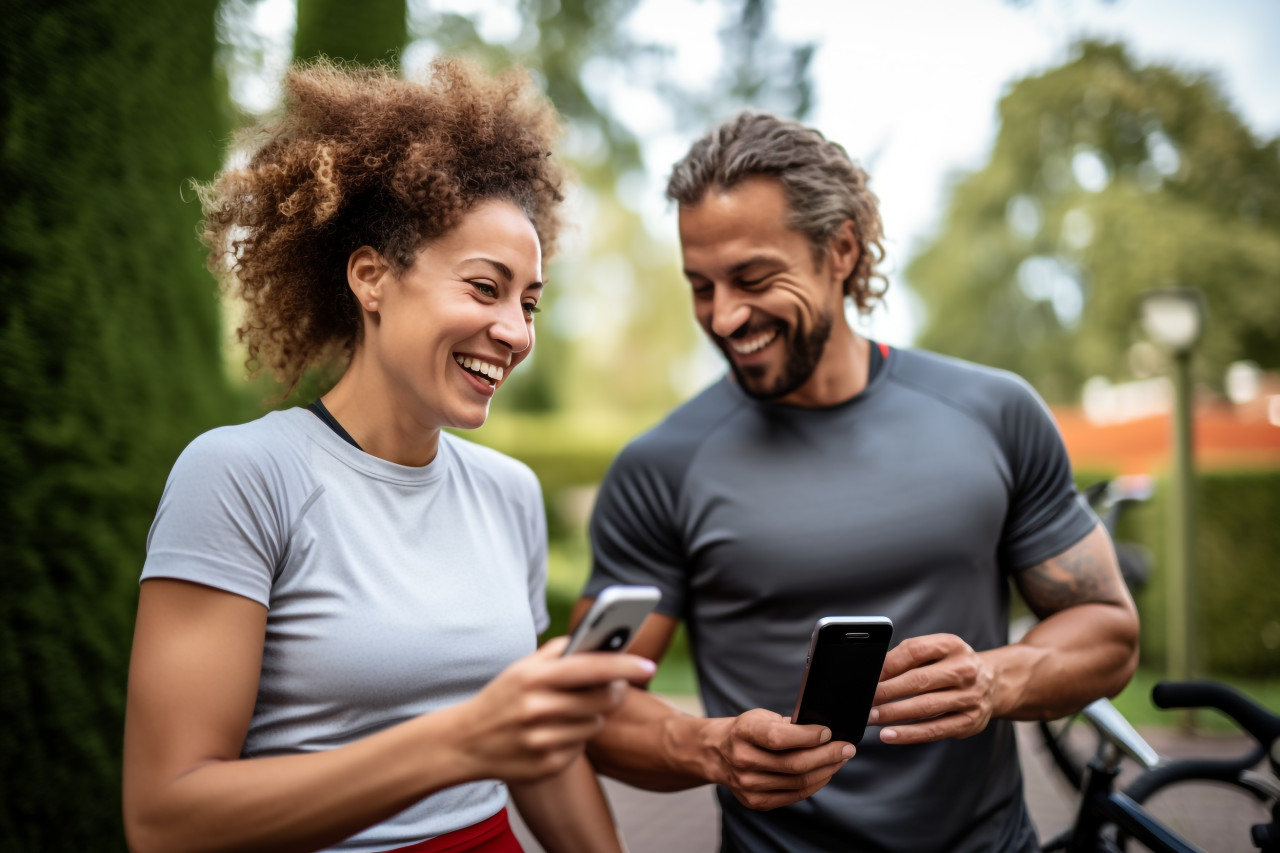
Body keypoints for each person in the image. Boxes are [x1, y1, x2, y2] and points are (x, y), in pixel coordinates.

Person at [122, 59, 654, 853]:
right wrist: (461, 741)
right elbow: (166, 818)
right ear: (371, 277)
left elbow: (535, 756)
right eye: (485, 287)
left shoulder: (509, 492)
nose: (516, 331)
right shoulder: (241, 475)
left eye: (530, 301)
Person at [573, 112, 1141, 852]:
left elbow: (1110, 633)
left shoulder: (993, 413)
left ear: (840, 248)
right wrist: (707, 747)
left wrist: (994, 680)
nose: (723, 314)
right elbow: (591, 702)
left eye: (752, 277)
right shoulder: (661, 465)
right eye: (700, 284)